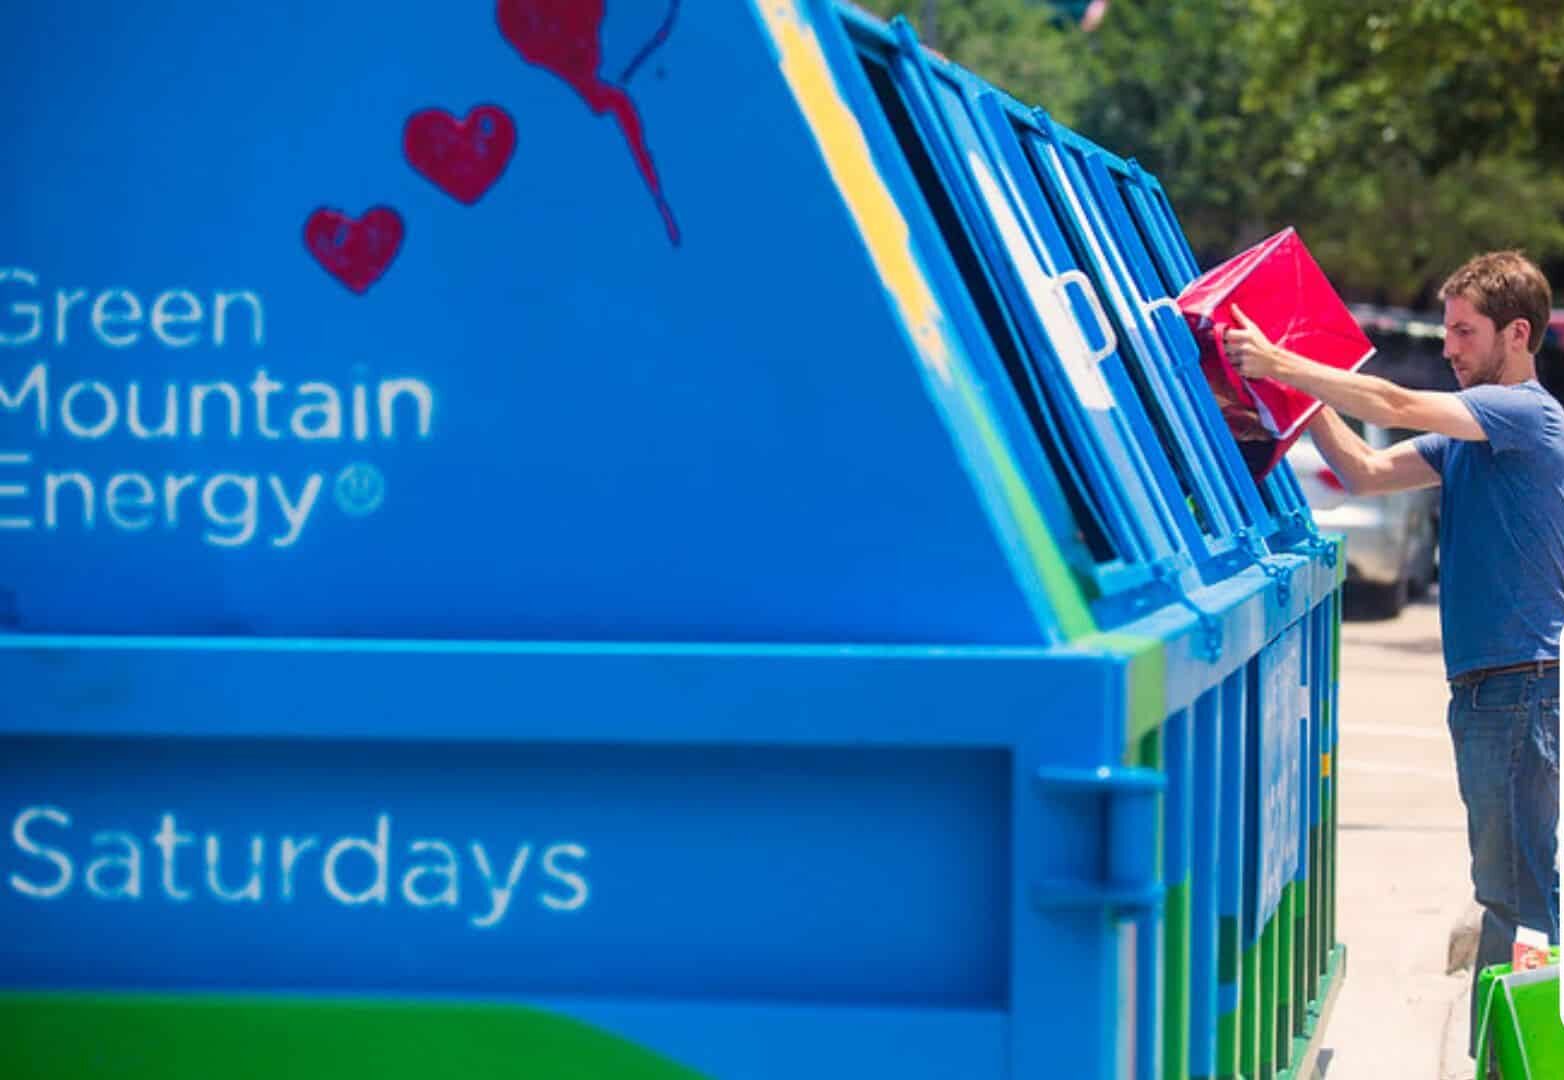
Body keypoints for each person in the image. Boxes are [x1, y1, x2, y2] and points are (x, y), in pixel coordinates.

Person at [1224, 249, 1563, 1057]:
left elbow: (1394, 400)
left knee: (1522, 897)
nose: (1448, 347)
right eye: (1446, 331)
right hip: (1490, 690)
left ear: (1518, 335)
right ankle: (1502, 1055)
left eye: (1463, 332)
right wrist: (1295, 400)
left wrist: (1282, 361)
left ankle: (1531, 1057)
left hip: (1518, 685)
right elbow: (1367, 471)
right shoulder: (1474, 440)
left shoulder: (1523, 415)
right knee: (1506, 892)